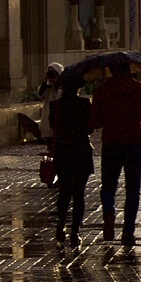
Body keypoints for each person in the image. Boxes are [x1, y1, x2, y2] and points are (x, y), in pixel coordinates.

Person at [91, 61, 141, 246]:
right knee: (133, 189)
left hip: (111, 142)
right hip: (134, 142)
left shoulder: (102, 90)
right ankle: (128, 231)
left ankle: (109, 210)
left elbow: (96, 120)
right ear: (129, 70)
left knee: (108, 185)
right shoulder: (138, 88)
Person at [51, 79, 94, 246]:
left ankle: (61, 223)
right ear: (79, 87)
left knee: (64, 191)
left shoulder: (55, 106)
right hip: (81, 150)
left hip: (63, 151)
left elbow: (53, 127)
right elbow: (90, 128)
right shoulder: (84, 103)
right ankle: (75, 231)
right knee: (78, 194)